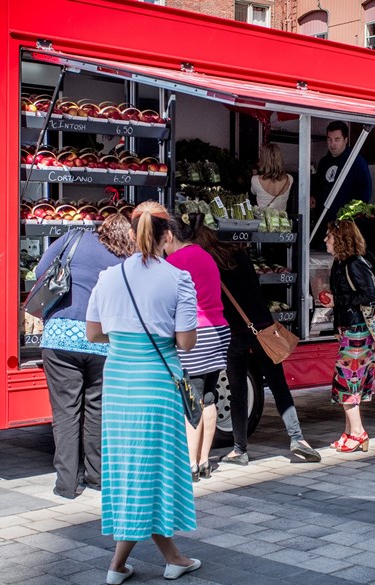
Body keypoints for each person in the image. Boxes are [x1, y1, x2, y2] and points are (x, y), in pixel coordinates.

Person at [86, 201, 201, 584]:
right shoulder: (178, 279)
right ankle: (127, 565)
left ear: (134, 234)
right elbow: (185, 342)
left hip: (119, 384)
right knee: (152, 472)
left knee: (132, 471)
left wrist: (125, 332)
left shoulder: (108, 277)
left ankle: (158, 560)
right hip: (157, 383)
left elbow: (94, 333)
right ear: (167, 235)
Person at [36, 214, 132, 499]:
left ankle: (66, 484)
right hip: (101, 340)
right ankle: (97, 476)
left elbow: (42, 268)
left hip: (60, 339)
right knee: (97, 410)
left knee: (65, 413)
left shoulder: (74, 238)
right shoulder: (126, 259)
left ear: (101, 229)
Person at [215, 244, 321, 466]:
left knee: (238, 392)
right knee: (278, 384)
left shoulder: (210, 263)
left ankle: (239, 450)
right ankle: (297, 438)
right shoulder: (240, 254)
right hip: (262, 328)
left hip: (236, 332)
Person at [165, 213, 231, 482]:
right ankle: (204, 460)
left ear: (170, 236)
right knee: (208, 397)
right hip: (218, 330)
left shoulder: (173, 262)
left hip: (195, 334)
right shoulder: (206, 256)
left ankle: (189, 464)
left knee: (189, 398)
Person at [318, 220, 375, 452]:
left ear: (341, 239)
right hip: (350, 331)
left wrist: (338, 301)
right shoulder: (341, 263)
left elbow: (369, 295)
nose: (326, 240)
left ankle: (359, 433)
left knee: (348, 384)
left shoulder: (354, 264)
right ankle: (349, 433)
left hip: (358, 332)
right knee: (347, 383)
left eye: (329, 236)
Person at [311, 120, 372, 222]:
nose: (332, 144)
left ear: (345, 139)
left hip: (346, 222)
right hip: (323, 221)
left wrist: (350, 215)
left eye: (337, 139)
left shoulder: (356, 161)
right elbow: (318, 187)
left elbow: (365, 194)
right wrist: (313, 196)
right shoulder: (324, 162)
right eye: (329, 140)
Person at [251, 143, 293, 211]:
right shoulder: (289, 179)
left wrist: (254, 174)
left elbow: (253, 192)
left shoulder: (255, 180)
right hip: (281, 220)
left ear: (263, 159)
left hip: (264, 220)